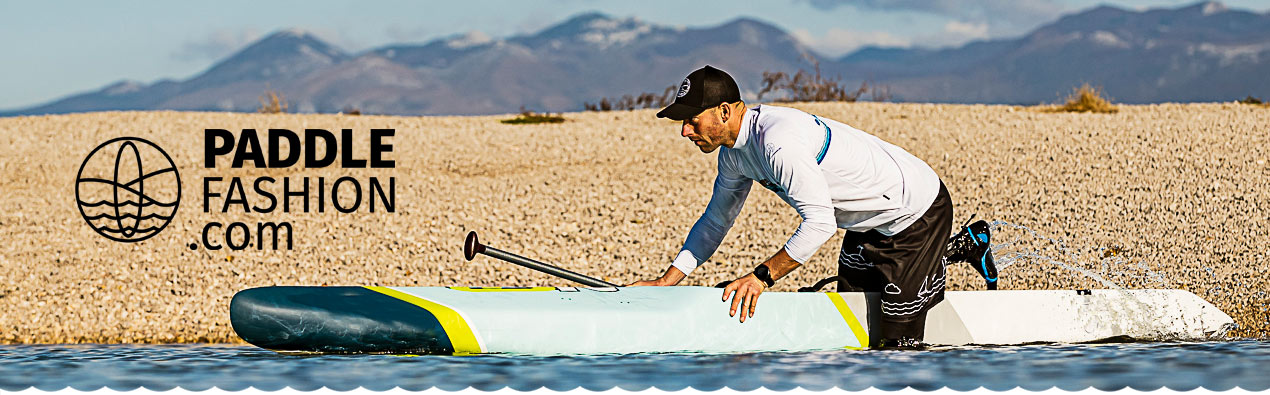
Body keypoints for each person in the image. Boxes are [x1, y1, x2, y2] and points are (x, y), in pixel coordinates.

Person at [629, 65, 992, 349]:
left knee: (896, 349)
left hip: (916, 211)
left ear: (724, 111)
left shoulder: (777, 142)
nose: (685, 132)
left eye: (692, 121)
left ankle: (943, 254)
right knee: (853, 325)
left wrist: (760, 278)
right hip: (865, 222)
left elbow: (819, 224)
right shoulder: (733, 157)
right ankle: (966, 245)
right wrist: (667, 280)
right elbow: (714, 222)